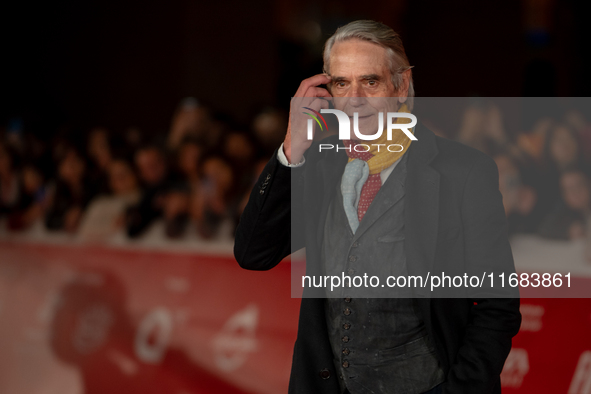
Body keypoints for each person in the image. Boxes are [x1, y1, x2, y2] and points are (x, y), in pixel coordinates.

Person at [234, 20, 521, 394]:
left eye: (370, 82)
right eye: (341, 83)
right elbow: (254, 252)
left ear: (401, 86)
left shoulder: (462, 171)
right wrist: (291, 150)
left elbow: (498, 304)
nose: (354, 99)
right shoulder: (320, 165)